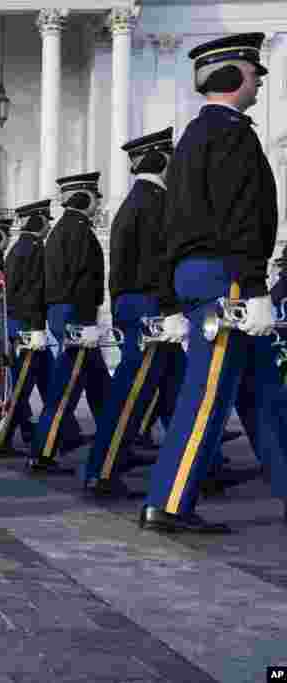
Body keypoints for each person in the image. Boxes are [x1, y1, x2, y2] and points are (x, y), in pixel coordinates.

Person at [141, 35, 283, 533]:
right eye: (254, 73)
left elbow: (169, 229)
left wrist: (170, 299)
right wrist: (254, 286)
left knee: (265, 395)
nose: (258, 83)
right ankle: (168, 503)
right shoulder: (232, 134)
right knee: (207, 395)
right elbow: (240, 217)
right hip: (228, 277)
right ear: (233, 76)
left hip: (199, 273)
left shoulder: (192, 139)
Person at [80, 128, 178, 497]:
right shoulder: (153, 201)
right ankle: (102, 472)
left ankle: (207, 464)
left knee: (176, 386)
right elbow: (158, 262)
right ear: (163, 159)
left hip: (136, 303)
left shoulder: (139, 200)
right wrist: (169, 308)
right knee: (131, 394)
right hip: (149, 305)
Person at [25, 172, 111, 474]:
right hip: (76, 314)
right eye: (95, 198)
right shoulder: (77, 231)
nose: (98, 203)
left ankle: (117, 443)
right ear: (85, 198)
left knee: (100, 385)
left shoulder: (65, 229)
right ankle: (42, 452)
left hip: (66, 313)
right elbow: (81, 281)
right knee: (65, 389)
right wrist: (87, 321)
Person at [0, 201, 52, 458]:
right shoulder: (34, 249)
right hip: (26, 325)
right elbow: (35, 291)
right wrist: (36, 326)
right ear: (40, 222)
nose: (48, 227)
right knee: (21, 385)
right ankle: (0, 438)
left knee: (44, 380)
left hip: (17, 322)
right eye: (46, 222)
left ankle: (63, 433)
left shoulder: (18, 248)